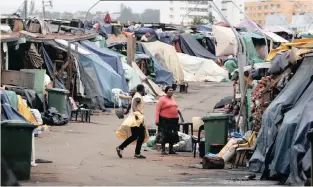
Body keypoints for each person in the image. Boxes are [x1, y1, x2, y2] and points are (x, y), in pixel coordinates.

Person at [116, 84, 149, 159]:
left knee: (141, 136)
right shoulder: (138, 97)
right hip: (136, 119)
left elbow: (131, 103)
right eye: (144, 90)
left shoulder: (137, 95)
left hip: (136, 118)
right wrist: (135, 112)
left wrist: (126, 111)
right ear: (143, 90)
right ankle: (120, 147)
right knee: (135, 136)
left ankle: (137, 153)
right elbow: (133, 105)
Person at [155, 86, 179, 155]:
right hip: (164, 120)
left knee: (172, 134)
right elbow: (157, 110)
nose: (171, 91)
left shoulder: (173, 99)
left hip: (174, 120)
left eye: (172, 90)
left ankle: (171, 150)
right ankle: (163, 150)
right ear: (166, 91)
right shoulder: (162, 99)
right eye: (169, 90)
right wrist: (157, 120)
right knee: (164, 134)